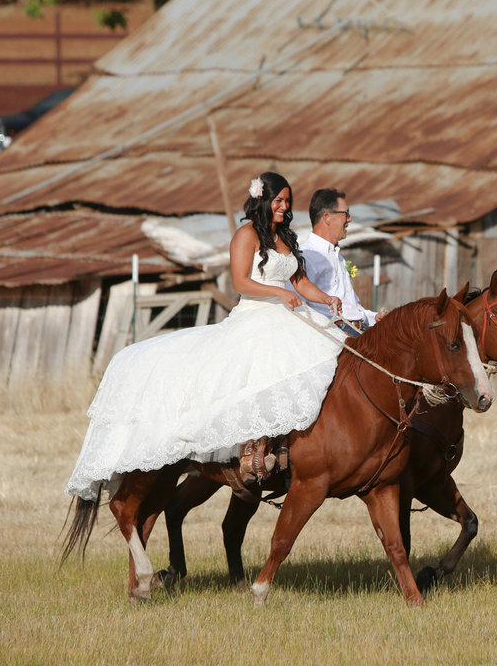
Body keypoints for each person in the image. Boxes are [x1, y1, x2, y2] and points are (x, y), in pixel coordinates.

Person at [65, 171, 347, 500]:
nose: (284, 206)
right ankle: (250, 451)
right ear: (262, 200)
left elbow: (299, 281)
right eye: (278, 200)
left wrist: (324, 298)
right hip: (257, 315)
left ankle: (298, 447)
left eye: (287, 201)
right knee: (261, 368)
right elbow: (240, 282)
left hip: (288, 313)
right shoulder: (247, 235)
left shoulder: (287, 238)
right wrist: (277, 293)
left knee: (327, 354)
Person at [296, 188, 378, 336]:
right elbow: (299, 309)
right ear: (327, 217)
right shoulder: (306, 255)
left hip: (359, 331)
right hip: (334, 335)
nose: (350, 219)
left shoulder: (338, 256)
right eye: (345, 214)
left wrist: (374, 318)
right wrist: (336, 333)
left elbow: (352, 309)